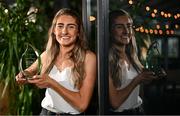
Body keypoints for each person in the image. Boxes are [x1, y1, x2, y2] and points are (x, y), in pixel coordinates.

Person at [16, 8, 96, 115]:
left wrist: (52, 83)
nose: (64, 31)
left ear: (78, 32)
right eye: (60, 26)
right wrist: (23, 75)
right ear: (54, 30)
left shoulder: (89, 58)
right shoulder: (47, 55)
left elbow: (82, 105)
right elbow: (30, 71)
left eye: (71, 26)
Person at [108, 9, 156, 115]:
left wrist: (147, 78)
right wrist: (137, 80)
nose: (126, 31)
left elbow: (138, 90)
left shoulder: (132, 56)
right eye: (119, 27)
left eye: (129, 26)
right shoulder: (106, 61)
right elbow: (115, 103)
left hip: (138, 111)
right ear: (110, 31)